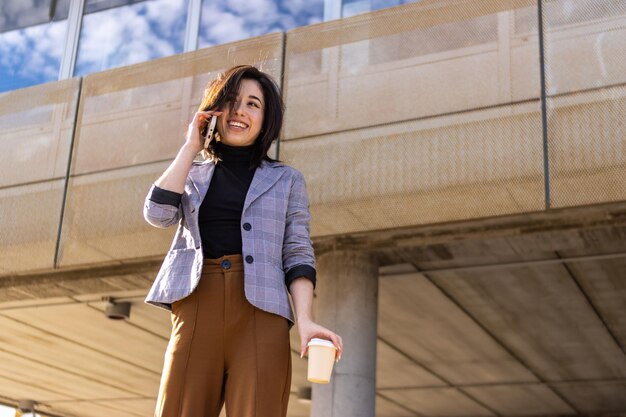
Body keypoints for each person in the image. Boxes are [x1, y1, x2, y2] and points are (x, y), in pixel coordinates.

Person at [142, 65, 343, 417]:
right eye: (231, 101)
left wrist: (306, 320)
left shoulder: (286, 180)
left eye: (253, 104)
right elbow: (157, 214)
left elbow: (297, 251)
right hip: (196, 303)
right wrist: (191, 146)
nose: (240, 111)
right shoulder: (191, 172)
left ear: (265, 120)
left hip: (261, 313)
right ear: (213, 112)